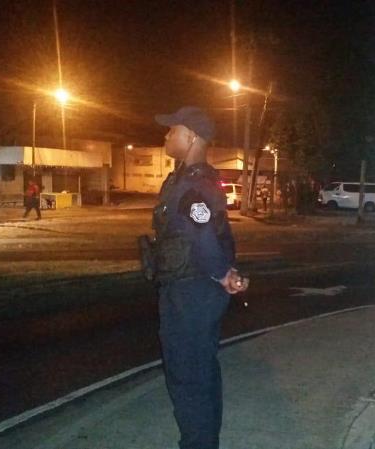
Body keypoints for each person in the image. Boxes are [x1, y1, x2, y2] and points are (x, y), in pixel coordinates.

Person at [150, 106, 248, 449]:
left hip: (191, 292)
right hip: (190, 289)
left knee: (188, 378)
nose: (166, 135)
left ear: (191, 137)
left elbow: (203, 236)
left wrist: (222, 274)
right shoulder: (185, 179)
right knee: (200, 373)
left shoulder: (194, 184)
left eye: (172, 129)